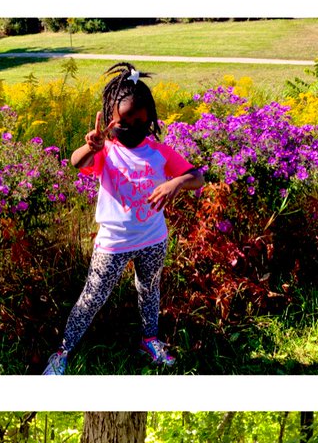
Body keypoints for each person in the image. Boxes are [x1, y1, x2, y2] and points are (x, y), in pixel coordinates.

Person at [43, 63, 204, 375]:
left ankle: (149, 340)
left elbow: (196, 176)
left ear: (150, 119)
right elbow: (78, 162)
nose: (131, 128)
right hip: (113, 244)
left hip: (154, 238)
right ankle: (63, 351)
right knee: (91, 297)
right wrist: (90, 146)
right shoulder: (105, 151)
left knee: (149, 290)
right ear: (109, 120)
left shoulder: (159, 151)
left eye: (140, 122)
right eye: (123, 122)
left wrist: (175, 183)